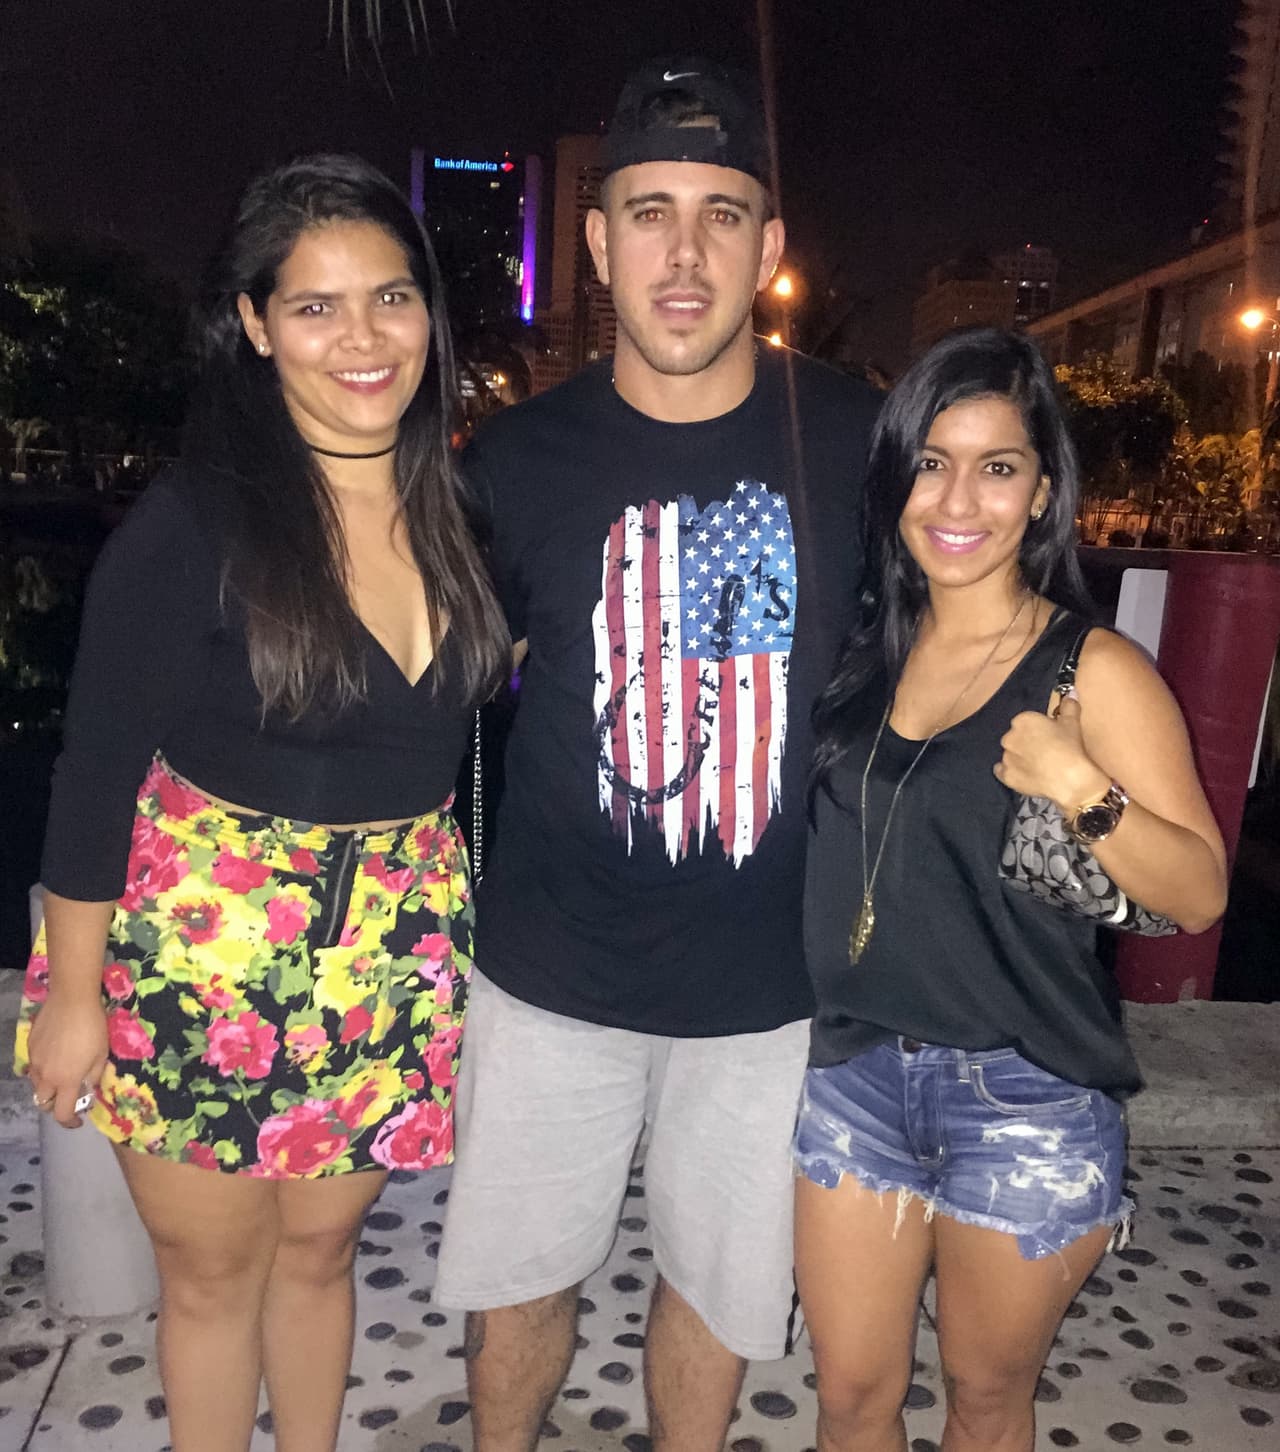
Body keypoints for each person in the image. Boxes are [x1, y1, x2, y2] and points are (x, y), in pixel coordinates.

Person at [14, 154, 508, 1452]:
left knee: (319, 1259)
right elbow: (91, 770)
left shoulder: (454, 508)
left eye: (391, 299)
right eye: (316, 306)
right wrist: (71, 1000)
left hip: (388, 952)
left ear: (430, 314)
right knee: (215, 1278)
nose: (363, 338)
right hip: (201, 960)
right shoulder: (192, 524)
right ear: (253, 324)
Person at [430, 55, 881, 1452]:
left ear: (771, 246)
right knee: (515, 1294)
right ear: (596, 240)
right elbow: (420, 680)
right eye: (648, 210)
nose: (684, 254)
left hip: (764, 987)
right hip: (551, 971)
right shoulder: (509, 465)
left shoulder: (862, 443)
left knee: (723, 1298)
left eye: (723, 213)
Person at [794, 327, 1227, 1452]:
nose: (958, 498)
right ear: (895, 481)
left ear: (1040, 495)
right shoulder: (862, 653)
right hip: (852, 1075)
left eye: (997, 467)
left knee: (983, 1403)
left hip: (1025, 1095)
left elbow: (1196, 891)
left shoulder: (1092, 669)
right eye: (931, 462)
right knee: (849, 1398)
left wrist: (1081, 787)